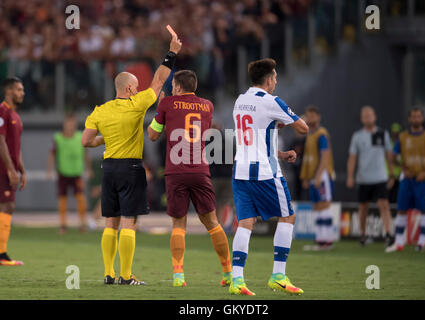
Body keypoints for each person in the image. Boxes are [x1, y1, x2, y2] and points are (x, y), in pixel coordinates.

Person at [81, 27, 182, 285]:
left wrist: (108, 138)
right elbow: (159, 81)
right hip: (131, 168)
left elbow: (86, 141)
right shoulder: (136, 104)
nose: (138, 91)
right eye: (136, 87)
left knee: (109, 223)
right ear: (128, 89)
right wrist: (172, 52)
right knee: (129, 222)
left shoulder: (100, 111)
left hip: (109, 169)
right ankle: (126, 276)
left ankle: (108, 274)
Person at [229, 58, 309, 296]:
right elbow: (303, 127)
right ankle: (278, 275)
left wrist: (281, 153)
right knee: (288, 217)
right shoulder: (272, 101)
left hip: (241, 169)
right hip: (264, 171)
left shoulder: (240, 100)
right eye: (275, 76)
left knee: (245, 223)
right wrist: (285, 119)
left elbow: (255, 134)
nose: (276, 80)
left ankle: (237, 280)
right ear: (269, 79)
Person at [147, 70, 233, 288]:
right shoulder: (208, 106)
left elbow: (153, 134)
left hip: (176, 172)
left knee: (178, 224)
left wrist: (161, 107)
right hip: (200, 170)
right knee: (212, 223)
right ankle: (228, 273)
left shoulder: (168, 104)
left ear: (177, 87)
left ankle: (178, 276)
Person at [386, 108, 425, 253]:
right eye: (413, 117)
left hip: (422, 179)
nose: (416, 119)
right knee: (402, 210)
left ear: (422, 119)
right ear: (409, 119)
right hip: (407, 179)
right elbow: (392, 157)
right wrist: (404, 168)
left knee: (424, 211)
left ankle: (421, 242)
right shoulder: (403, 137)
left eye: (418, 116)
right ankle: (398, 243)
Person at [346, 106, 395, 247]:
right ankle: (363, 235)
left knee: (384, 204)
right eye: (365, 116)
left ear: (375, 117)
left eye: (370, 115)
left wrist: (391, 174)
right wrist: (350, 176)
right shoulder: (357, 136)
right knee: (363, 207)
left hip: (380, 177)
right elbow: (352, 157)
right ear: (362, 119)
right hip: (364, 178)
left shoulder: (382, 133)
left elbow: (389, 155)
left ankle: (388, 233)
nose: (367, 118)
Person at [47, 114, 92, 234]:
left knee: (81, 198)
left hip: (77, 172)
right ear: (64, 124)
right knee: (62, 199)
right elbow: (52, 154)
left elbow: (86, 154)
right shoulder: (58, 138)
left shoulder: (80, 136)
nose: (71, 125)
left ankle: (82, 224)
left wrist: (89, 169)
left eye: (73, 123)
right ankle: (63, 225)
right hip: (63, 172)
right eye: (68, 123)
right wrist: (49, 170)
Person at [301, 106, 335, 251]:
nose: (310, 119)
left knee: (324, 204)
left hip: (322, 175)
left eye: (313, 116)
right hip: (313, 176)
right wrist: (306, 177)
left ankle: (327, 240)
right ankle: (321, 240)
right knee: (317, 205)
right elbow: (309, 158)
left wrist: (319, 175)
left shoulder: (321, 134)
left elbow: (325, 156)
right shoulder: (309, 134)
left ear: (318, 117)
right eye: (308, 116)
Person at [0, 77, 26, 266]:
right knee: (6, 206)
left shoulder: (16, 116)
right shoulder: (3, 111)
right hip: (2, 169)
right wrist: (10, 169)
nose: (22, 93)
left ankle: (2, 254)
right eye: (18, 89)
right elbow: (0, 141)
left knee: (7, 207)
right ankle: (1, 255)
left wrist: (21, 170)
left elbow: (16, 147)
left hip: (9, 169)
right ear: (8, 91)